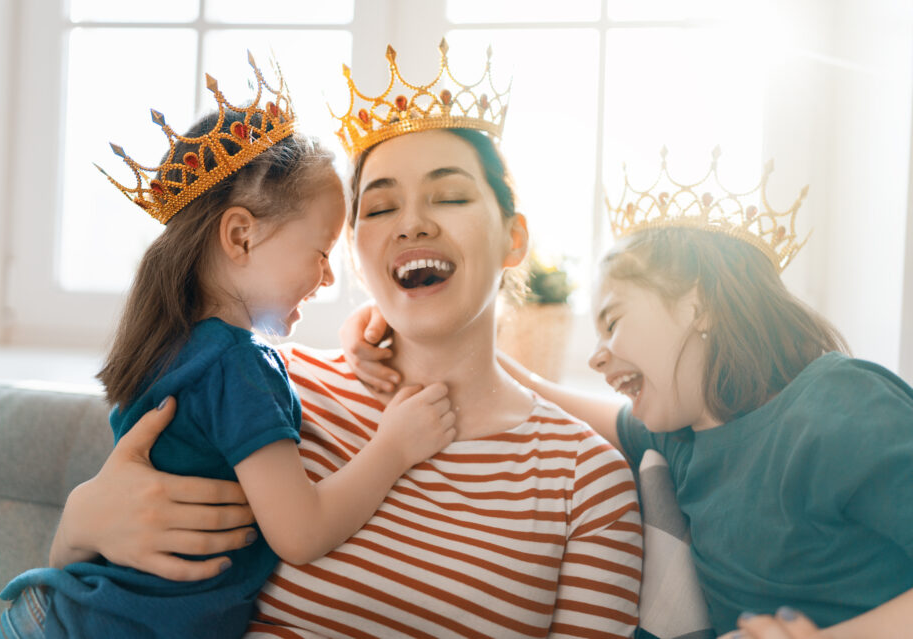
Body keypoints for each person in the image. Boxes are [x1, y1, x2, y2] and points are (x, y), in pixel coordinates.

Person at [45, 42, 644, 638]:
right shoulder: (271, 383)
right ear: (352, 253)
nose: (412, 223)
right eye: (379, 208)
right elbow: (100, 589)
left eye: (452, 195)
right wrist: (77, 525)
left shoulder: (584, 480)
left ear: (515, 239)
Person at [346, 150, 913, 638]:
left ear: (699, 304)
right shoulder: (680, 438)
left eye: (612, 323)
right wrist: (395, 322)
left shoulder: (838, 406)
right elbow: (525, 385)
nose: (596, 356)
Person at [0, 56, 457, 639]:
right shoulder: (238, 364)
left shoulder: (177, 347)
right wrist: (394, 446)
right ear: (241, 235)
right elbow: (301, 533)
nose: (329, 277)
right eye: (321, 252)